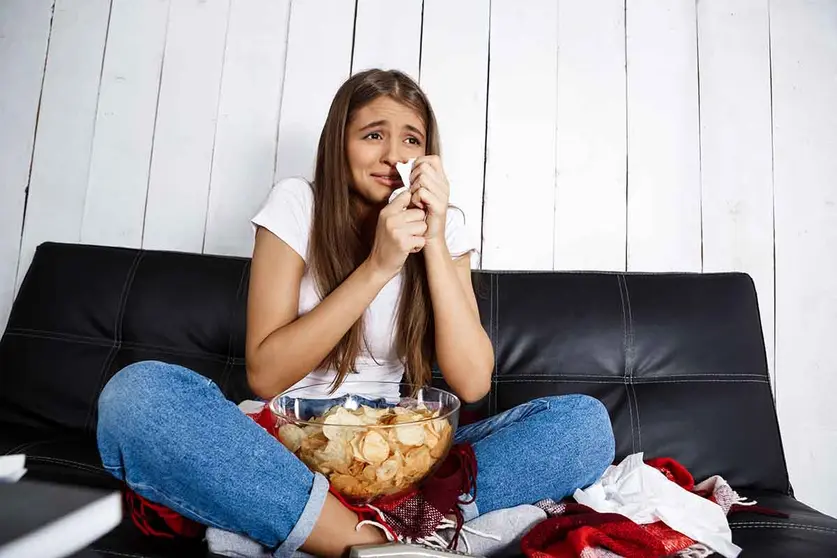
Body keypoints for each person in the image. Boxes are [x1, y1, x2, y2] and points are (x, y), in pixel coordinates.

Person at [96, 69, 615, 558]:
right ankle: (378, 540)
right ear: (338, 144)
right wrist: (377, 267)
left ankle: (368, 527)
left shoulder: (445, 228)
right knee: (137, 396)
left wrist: (433, 238)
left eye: (412, 139)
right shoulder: (298, 203)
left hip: (404, 454)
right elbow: (266, 374)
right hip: (292, 449)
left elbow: (472, 383)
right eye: (373, 135)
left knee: (584, 425)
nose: (394, 154)